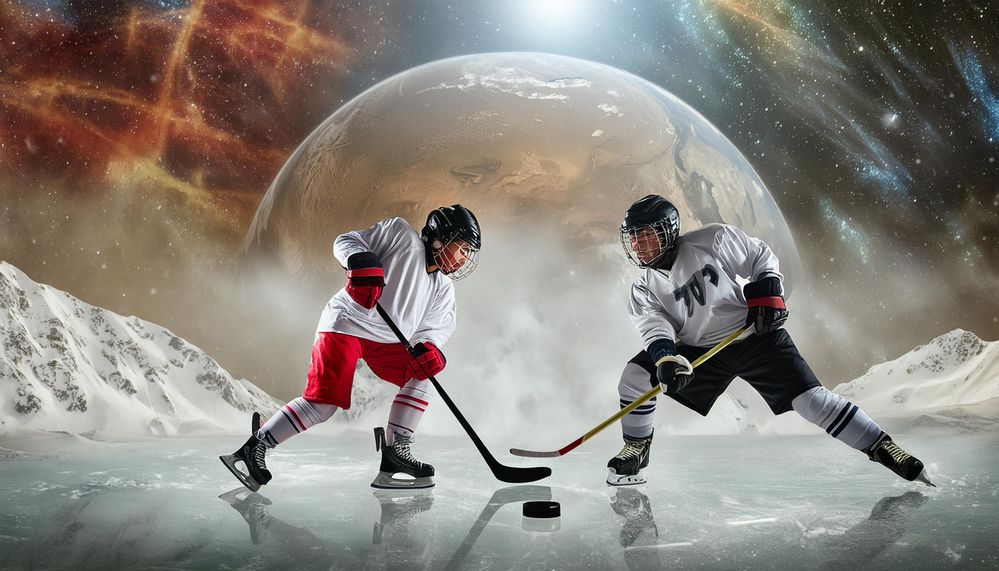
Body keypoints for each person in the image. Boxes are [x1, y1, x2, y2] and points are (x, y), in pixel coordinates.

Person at [606, 194, 932, 487]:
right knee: (635, 377)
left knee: (811, 402)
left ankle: (880, 445)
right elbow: (653, 326)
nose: (638, 246)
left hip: (754, 335)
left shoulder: (712, 240)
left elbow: (759, 256)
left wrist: (769, 290)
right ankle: (637, 447)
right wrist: (665, 358)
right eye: (633, 240)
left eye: (646, 236)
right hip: (698, 352)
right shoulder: (643, 288)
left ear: (668, 231)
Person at [221, 205, 481, 491]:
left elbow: (432, 330)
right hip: (347, 324)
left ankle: (396, 455)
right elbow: (346, 241)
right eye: (462, 248)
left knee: (423, 374)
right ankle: (253, 449)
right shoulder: (401, 235)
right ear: (438, 239)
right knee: (323, 405)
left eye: (469, 252)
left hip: (388, 342)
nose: (464, 258)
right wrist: (361, 261)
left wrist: (429, 349)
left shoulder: (443, 288)